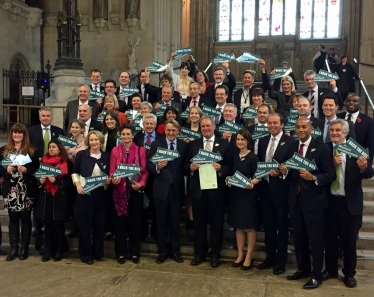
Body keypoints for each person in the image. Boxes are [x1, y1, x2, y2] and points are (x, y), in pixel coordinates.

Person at [279, 117, 336, 290]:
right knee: (299, 239)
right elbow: (289, 174)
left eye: (304, 127)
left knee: (316, 240)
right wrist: (284, 171)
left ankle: (316, 275)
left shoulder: (322, 148)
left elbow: (330, 174)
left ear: (311, 128)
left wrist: (314, 178)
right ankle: (302, 269)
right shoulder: (291, 146)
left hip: (315, 203)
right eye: (298, 127)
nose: (301, 130)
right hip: (296, 201)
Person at [323, 119, 374, 288]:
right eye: (332, 131)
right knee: (330, 239)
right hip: (330, 203)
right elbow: (319, 172)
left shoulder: (356, 150)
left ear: (345, 133)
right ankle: (330, 270)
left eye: (338, 130)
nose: (335, 133)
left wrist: (364, 167)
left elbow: (369, 173)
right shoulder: (325, 149)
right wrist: (331, 163)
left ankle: (349, 273)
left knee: (349, 241)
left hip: (349, 204)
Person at [256, 114, 296, 275]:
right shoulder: (264, 140)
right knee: (268, 226)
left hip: (282, 190)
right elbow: (260, 162)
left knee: (282, 226)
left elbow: (292, 167)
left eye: (275, 123)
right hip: (265, 189)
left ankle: (281, 261)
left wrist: (282, 172)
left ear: (282, 124)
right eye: (269, 123)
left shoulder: (291, 142)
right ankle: (270, 257)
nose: (272, 125)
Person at [188, 116, 230, 268]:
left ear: (214, 127)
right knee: (198, 224)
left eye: (208, 126)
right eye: (203, 126)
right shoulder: (194, 144)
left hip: (216, 191)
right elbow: (186, 164)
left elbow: (229, 165)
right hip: (198, 191)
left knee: (216, 224)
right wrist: (190, 168)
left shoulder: (224, 145)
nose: (205, 128)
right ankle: (200, 253)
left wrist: (221, 169)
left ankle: (215, 254)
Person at [147, 119, 189, 264]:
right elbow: (148, 165)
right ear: (164, 131)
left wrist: (191, 168)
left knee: (175, 222)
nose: (171, 133)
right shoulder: (156, 144)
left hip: (177, 189)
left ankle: (175, 251)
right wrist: (157, 166)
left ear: (178, 131)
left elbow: (185, 166)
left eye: (173, 130)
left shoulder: (183, 146)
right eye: (168, 130)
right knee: (161, 222)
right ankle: (162, 251)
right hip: (161, 189)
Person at [110, 123, 149, 264]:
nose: (125, 137)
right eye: (123, 134)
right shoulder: (115, 150)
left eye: (128, 134)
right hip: (119, 191)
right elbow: (112, 170)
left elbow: (144, 172)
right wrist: (114, 178)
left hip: (134, 190)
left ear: (133, 135)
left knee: (135, 223)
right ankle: (120, 252)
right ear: (120, 136)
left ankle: (134, 252)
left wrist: (141, 184)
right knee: (120, 223)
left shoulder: (141, 151)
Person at [0, 123, 39, 261]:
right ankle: (13, 248)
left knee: (26, 219)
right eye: (15, 133)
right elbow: (0, 169)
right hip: (11, 190)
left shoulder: (32, 150)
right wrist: (6, 171)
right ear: (11, 134)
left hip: (25, 190)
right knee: (13, 219)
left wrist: (26, 170)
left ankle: (24, 248)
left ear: (24, 135)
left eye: (20, 133)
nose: (17, 135)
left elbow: (36, 168)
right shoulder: (3, 150)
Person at [72, 130, 111, 264]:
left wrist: (109, 181)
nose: (94, 142)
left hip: (101, 194)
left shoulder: (107, 156)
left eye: (97, 140)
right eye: (92, 140)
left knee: (99, 225)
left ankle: (98, 252)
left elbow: (110, 173)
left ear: (101, 141)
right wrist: (77, 185)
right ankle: (86, 254)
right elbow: (75, 172)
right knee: (85, 225)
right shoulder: (81, 155)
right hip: (84, 194)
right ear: (88, 142)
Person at [226, 129, 260, 270]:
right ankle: (240, 254)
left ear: (248, 141)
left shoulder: (253, 157)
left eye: (243, 140)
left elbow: (259, 175)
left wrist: (252, 183)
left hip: (248, 196)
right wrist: (228, 178)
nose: (240, 142)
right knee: (238, 226)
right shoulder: (234, 156)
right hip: (235, 195)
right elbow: (230, 173)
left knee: (249, 227)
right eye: (238, 139)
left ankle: (249, 256)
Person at [34, 140, 71, 262]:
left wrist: (57, 182)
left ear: (60, 149)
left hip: (60, 197)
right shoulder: (43, 163)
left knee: (59, 224)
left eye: (54, 147)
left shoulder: (66, 163)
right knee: (48, 224)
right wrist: (41, 182)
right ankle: (47, 250)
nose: (51, 149)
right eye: (49, 147)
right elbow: (36, 180)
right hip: (46, 197)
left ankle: (60, 249)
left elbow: (69, 183)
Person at [337, 93, 374, 164]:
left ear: (360, 104)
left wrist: (367, 165)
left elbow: (370, 145)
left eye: (355, 101)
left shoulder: (369, 121)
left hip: (357, 160)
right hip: (338, 157)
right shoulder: (338, 117)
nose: (351, 102)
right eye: (348, 101)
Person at [102, 111, 122, 240]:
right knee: (106, 202)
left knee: (117, 201)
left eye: (111, 119)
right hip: (104, 171)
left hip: (118, 170)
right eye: (107, 119)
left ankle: (117, 229)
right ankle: (107, 228)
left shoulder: (121, 134)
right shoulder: (102, 134)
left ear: (116, 120)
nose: (109, 121)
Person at [65, 119, 86, 238]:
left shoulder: (86, 143)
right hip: (69, 174)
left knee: (80, 202)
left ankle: (80, 226)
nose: (74, 129)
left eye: (76, 127)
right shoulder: (67, 141)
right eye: (72, 127)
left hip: (81, 175)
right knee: (72, 202)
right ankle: (74, 226)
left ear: (82, 129)